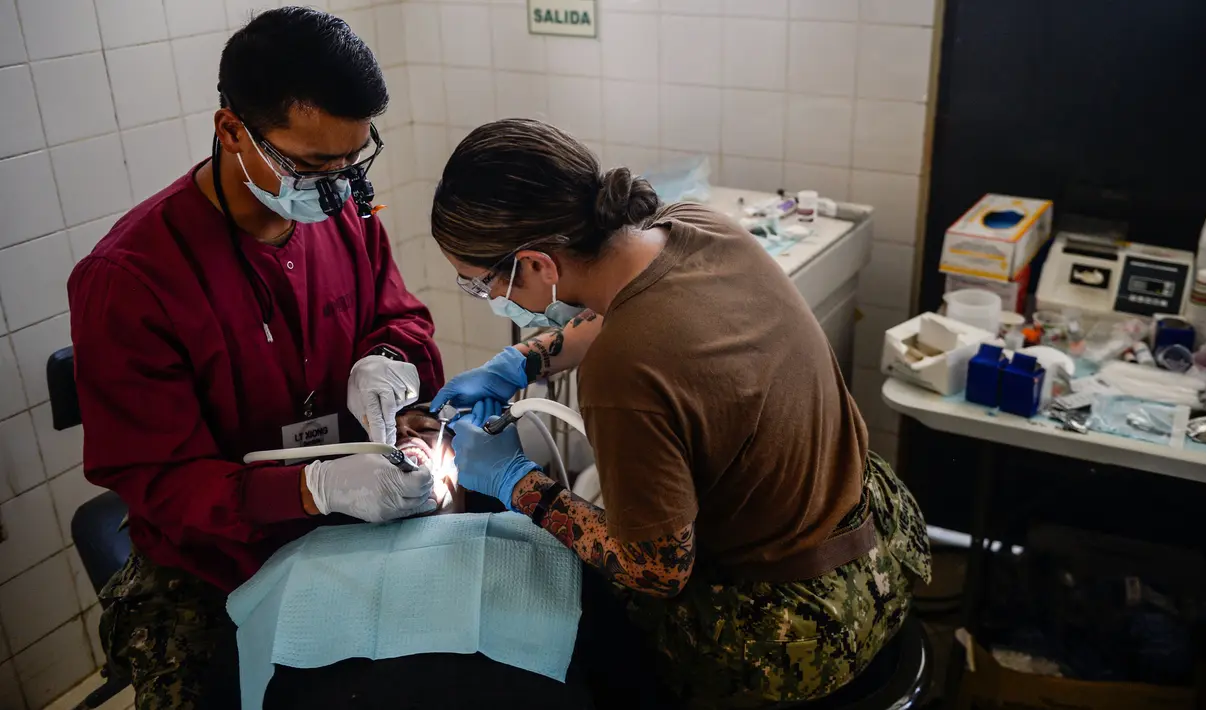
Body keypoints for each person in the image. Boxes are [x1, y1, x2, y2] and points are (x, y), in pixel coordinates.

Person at [428, 118, 933, 707]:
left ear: (538, 265)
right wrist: (523, 360)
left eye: (481, 284)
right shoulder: (696, 228)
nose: (491, 299)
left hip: (800, 630)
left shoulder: (621, 372)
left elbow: (656, 570)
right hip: (881, 546)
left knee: (574, 629)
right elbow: (632, 313)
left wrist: (519, 485)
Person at [68, 8, 443, 707]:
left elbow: (403, 318)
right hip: (210, 554)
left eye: (351, 161)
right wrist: (312, 489)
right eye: (308, 165)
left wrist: (388, 361)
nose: (336, 187)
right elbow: (164, 482)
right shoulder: (132, 280)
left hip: (349, 517)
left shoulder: (345, 213)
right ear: (232, 131)